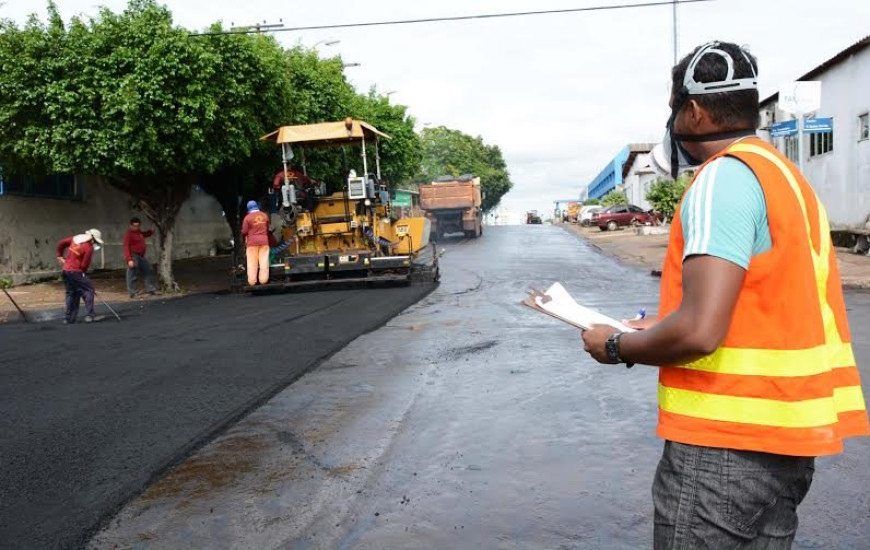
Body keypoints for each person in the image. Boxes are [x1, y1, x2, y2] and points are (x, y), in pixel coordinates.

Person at [580, 41, 869, 549]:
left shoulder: (722, 179)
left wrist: (614, 346)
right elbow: (760, 303)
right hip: (786, 442)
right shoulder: (784, 176)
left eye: (674, 109)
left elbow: (699, 330)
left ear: (692, 110)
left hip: (724, 448)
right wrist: (652, 325)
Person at [56, 228, 103, 324]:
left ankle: (69, 318)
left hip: (66, 271)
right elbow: (84, 265)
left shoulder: (75, 239)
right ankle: (90, 315)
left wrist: (59, 255)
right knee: (89, 289)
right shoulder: (88, 247)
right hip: (76, 271)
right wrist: (83, 273)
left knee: (71, 293)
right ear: (92, 239)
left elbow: (61, 243)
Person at [123, 217, 158, 298]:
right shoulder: (129, 234)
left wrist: (150, 232)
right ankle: (132, 293)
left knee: (149, 269)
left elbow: (144, 234)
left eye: (138, 226)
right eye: (134, 226)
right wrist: (129, 259)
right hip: (133, 255)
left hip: (140, 256)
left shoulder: (138, 232)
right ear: (130, 226)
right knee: (132, 274)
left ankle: (151, 289)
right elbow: (126, 247)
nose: (136, 228)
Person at [241, 200, 270, 286]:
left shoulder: (247, 218)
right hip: (264, 242)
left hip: (252, 243)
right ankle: (263, 280)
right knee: (264, 262)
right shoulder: (265, 216)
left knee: (252, 263)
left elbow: (244, 231)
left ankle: (252, 282)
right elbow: (267, 228)